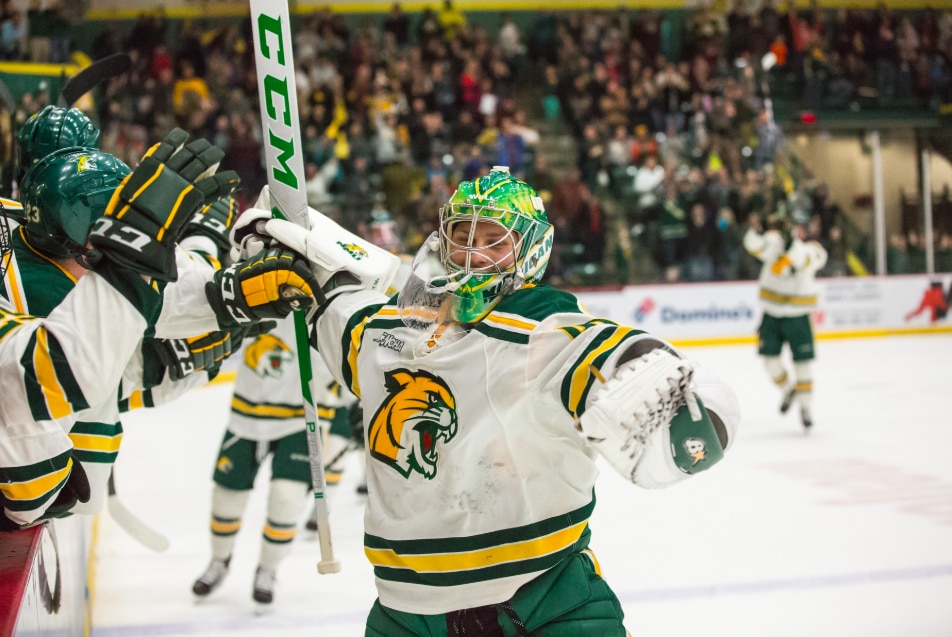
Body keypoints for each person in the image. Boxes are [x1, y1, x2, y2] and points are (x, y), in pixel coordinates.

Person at [257, 166, 740, 635]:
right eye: (463, 237)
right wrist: (293, 262)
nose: (473, 254)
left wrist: (656, 378)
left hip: (544, 600)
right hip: (405, 614)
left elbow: (591, 346)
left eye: (494, 241)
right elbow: (341, 314)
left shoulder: (537, 323)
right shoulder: (392, 328)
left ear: (530, 251)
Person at [0, 133, 322, 530]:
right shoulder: (41, 295)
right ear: (85, 247)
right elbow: (55, 374)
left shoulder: (28, 237)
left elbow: (137, 292)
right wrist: (151, 364)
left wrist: (226, 294)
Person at [190, 313, 358, 606]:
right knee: (226, 496)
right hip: (249, 409)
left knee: (287, 499)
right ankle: (218, 561)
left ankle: (267, 569)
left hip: (303, 412)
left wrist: (353, 402)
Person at [743, 211, 827, 430]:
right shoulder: (775, 242)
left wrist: (790, 245)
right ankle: (788, 390)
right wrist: (758, 229)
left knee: (802, 364)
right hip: (772, 312)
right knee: (770, 363)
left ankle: (806, 408)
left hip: (798, 315)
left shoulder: (814, 250)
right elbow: (753, 245)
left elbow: (802, 259)